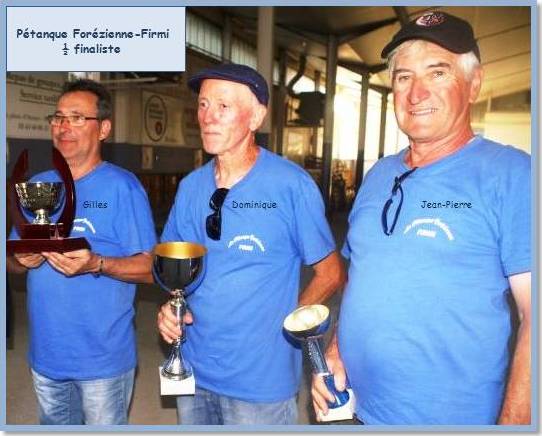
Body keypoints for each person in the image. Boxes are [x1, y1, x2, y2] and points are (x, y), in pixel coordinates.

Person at [312, 11, 531, 425]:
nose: (416, 94)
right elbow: (360, 280)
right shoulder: (378, 176)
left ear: (474, 83)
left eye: (437, 73)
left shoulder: (513, 175)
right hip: (358, 410)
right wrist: (337, 349)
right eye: (403, 77)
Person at [156, 63, 345, 425]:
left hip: (261, 382)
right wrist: (170, 308)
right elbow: (174, 270)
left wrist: (289, 324)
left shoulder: (290, 185)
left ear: (256, 116)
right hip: (194, 369)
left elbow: (331, 273)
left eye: (223, 106)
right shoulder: (190, 187)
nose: (208, 117)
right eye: (203, 105)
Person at [7, 79, 157, 425]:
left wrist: (97, 264)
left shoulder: (123, 187)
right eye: (58, 117)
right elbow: (11, 263)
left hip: (102, 360)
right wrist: (21, 259)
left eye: (77, 118)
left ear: (103, 129)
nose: (63, 127)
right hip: (46, 356)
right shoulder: (37, 187)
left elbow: (151, 268)